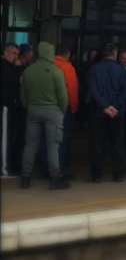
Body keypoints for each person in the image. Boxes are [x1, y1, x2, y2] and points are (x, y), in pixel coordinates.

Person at [19, 42, 69, 190]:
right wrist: (62, 111)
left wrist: (30, 107)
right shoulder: (56, 71)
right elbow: (63, 96)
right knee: (53, 145)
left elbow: (23, 96)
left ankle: (25, 178)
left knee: (30, 144)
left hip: (33, 111)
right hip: (53, 111)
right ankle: (55, 179)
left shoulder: (28, 71)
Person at [87, 44, 126, 183]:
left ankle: (96, 175)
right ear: (115, 56)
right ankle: (118, 174)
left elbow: (93, 90)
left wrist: (104, 107)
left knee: (97, 144)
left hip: (98, 112)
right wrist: (114, 106)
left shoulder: (94, 69)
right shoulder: (122, 71)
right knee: (118, 144)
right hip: (118, 113)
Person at [36, 45, 79, 180]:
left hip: (42, 106)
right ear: (68, 54)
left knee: (45, 138)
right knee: (60, 140)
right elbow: (71, 90)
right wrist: (73, 106)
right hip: (62, 108)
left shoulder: (42, 66)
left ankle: (44, 169)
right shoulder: (67, 67)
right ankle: (58, 171)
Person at [1, 43, 22, 178]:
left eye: (17, 54)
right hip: (5, 104)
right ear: (6, 52)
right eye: (14, 53)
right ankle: (4, 169)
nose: (16, 57)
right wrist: (18, 68)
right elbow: (13, 81)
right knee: (5, 137)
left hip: (7, 104)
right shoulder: (4, 65)